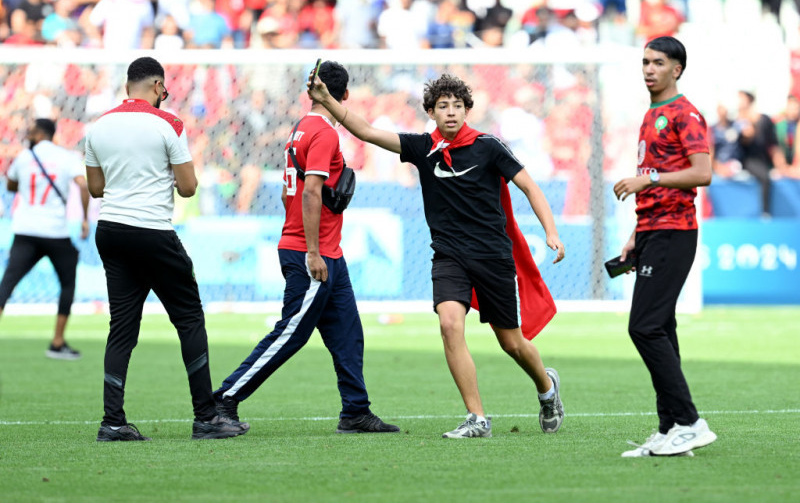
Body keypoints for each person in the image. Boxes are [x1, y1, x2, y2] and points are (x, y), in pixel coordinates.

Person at [308, 70, 566, 439]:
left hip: (493, 257)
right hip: (448, 257)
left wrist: (551, 231)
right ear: (430, 111)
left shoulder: (489, 145)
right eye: (443, 106)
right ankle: (477, 418)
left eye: (457, 106)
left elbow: (529, 186)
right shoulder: (421, 148)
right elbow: (365, 131)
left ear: (467, 110)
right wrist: (328, 99)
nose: (451, 112)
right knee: (449, 324)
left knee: (511, 342)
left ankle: (546, 388)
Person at [213, 61, 399, 435]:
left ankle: (355, 411)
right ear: (343, 96)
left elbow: (289, 191)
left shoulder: (300, 128)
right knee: (291, 333)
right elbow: (311, 190)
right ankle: (222, 401)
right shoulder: (326, 134)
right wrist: (310, 250)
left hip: (327, 250)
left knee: (347, 331)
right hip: (313, 253)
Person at [84, 56, 248, 442]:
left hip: (111, 230)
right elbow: (189, 187)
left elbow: (95, 189)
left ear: (128, 87)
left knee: (121, 328)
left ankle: (112, 422)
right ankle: (206, 418)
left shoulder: (99, 126)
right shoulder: (169, 123)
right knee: (189, 318)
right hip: (153, 231)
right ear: (158, 87)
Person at [613, 36, 717, 457]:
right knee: (661, 326)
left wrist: (647, 180)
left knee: (644, 326)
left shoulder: (685, 113)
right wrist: (637, 233)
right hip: (654, 229)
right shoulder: (651, 114)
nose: (649, 69)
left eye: (658, 62)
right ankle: (671, 427)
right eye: (645, 62)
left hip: (676, 231)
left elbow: (703, 172)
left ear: (677, 69)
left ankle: (692, 422)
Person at [0, 118, 89, 360]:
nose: (28, 134)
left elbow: (10, 186)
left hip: (26, 229)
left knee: (7, 284)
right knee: (68, 283)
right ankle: (57, 342)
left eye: (31, 131)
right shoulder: (66, 157)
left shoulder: (23, 157)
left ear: (40, 134)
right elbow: (82, 185)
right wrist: (83, 219)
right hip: (55, 231)